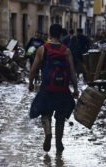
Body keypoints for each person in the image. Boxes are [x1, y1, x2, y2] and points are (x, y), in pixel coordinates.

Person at [29, 24, 79, 154]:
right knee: (60, 117)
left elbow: (33, 69)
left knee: (45, 113)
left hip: (46, 88)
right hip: (62, 89)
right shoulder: (66, 50)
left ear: (49, 34)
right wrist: (76, 89)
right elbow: (72, 72)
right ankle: (59, 143)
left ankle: (48, 133)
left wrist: (30, 83)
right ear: (61, 34)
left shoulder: (42, 49)